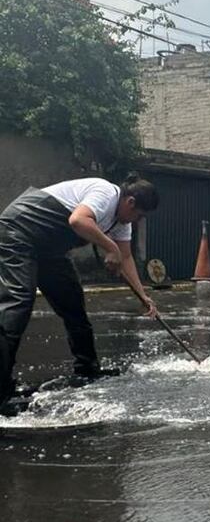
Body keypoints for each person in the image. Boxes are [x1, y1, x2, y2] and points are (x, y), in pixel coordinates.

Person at [0, 174, 159, 413]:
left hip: (49, 249)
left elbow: (126, 258)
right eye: (139, 216)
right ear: (131, 202)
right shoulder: (105, 192)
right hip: (18, 232)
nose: (138, 221)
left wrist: (143, 296)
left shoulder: (121, 223)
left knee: (73, 304)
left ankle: (87, 369)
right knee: (19, 303)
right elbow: (78, 220)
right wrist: (110, 247)